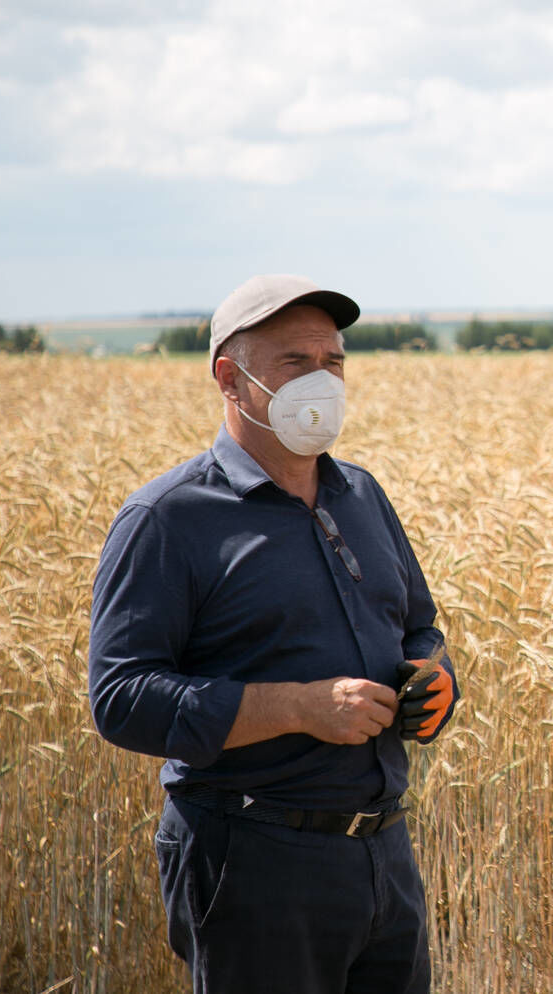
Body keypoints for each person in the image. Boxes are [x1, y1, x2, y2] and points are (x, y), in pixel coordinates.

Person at [89, 274, 459, 994]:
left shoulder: (362, 494)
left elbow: (418, 623)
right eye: (295, 362)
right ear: (232, 377)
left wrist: (435, 679)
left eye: (334, 361)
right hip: (254, 859)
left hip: (383, 853)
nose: (322, 380)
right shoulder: (169, 518)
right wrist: (298, 706)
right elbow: (122, 698)